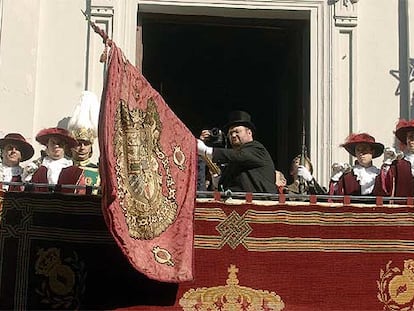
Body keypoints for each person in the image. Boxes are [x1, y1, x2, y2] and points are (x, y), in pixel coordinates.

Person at [197, 110, 277, 194]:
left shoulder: (257, 148)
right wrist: (217, 179)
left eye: (237, 131)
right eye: (231, 133)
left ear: (249, 132)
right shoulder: (234, 160)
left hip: (260, 203)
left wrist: (205, 149)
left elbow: (237, 155)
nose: (233, 135)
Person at [66, 91, 101, 194]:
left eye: (86, 144)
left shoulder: (99, 171)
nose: (82, 148)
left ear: (91, 147)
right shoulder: (63, 168)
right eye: (78, 143)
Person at [28, 127, 80, 192]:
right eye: (53, 143)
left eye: (59, 143)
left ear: (65, 146)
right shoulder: (36, 167)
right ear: (47, 145)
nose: (56, 146)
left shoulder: (73, 169)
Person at [380, 119, 414, 197]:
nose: (411, 141)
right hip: (403, 207)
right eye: (410, 137)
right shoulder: (399, 163)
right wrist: (387, 164)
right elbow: (386, 186)